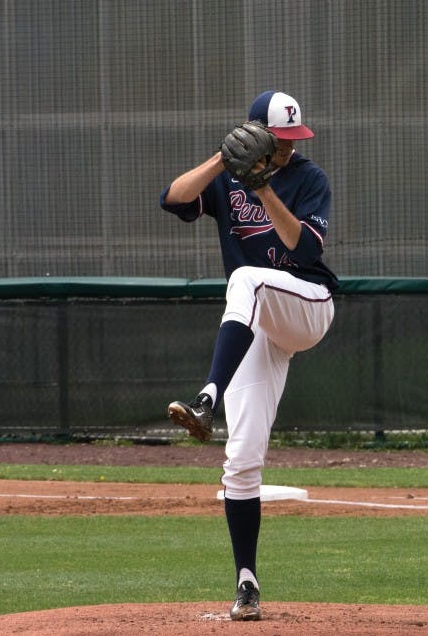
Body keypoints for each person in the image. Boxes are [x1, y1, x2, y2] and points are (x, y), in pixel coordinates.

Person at [159, 90, 338, 620]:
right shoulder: (226, 175)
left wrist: (263, 189)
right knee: (240, 461)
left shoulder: (310, 179)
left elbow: (304, 250)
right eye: (277, 140)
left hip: (307, 305)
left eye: (291, 141)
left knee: (245, 279)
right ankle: (247, 583)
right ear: (255, 134)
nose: (286, 149)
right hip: (258, 324)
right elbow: (171, 199)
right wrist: (222, 157)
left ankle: (206, 395)